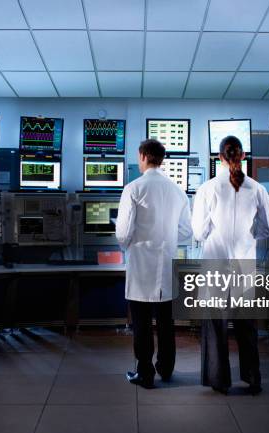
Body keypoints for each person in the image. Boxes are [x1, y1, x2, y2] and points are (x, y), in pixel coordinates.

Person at [191, 135, 269, 395]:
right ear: (242, 157)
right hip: (244, 265)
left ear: (219, 157)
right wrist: (252, 235)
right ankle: (252, 378)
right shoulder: (257, 189)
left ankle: (219, 380)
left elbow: (198, 231)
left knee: (216, 325)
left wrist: (211, 234)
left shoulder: (208, 188)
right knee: (246, 325)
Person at [116, 138, 192, 389]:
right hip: (167, 264)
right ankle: (166, 369)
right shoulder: (177, 190)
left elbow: (123, 232)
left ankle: (145, 374)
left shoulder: (134, 188)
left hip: (141, 266)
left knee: (141, 324)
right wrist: (166, 238)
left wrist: (130, 243)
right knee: (166, 323)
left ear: (143, 156)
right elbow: (185, 232)